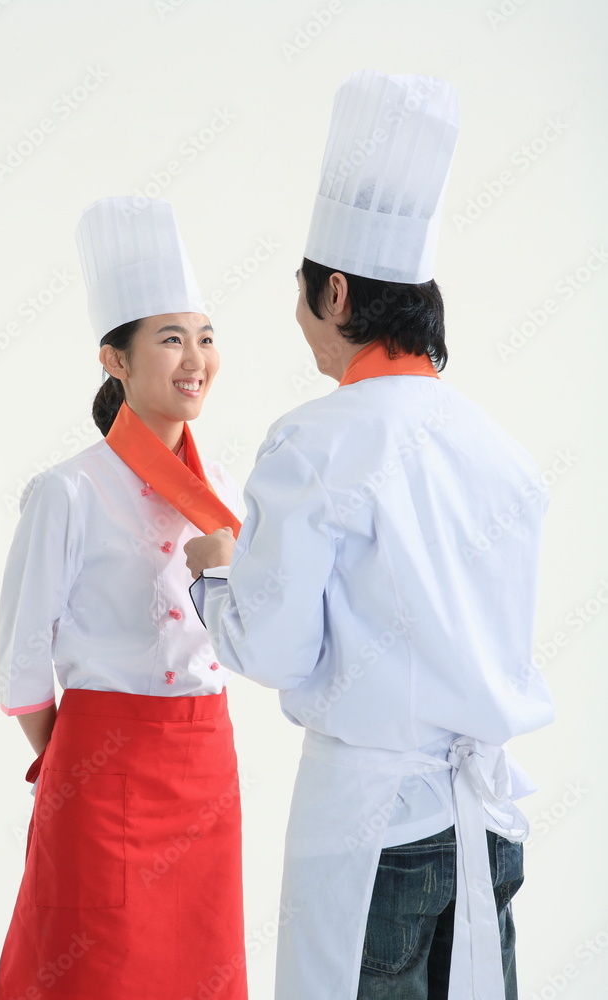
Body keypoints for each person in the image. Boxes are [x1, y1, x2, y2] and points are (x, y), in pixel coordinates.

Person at [184, 71, 554, 1000]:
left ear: (337, 294)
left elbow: (273, 648)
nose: (300, 320)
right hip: (486, 824)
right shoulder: (502, 452)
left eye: (302, 297)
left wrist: (216, 579)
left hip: (375, 834)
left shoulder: (315, 441)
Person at [0, 196, 247, 1000]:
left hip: (206, 768)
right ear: (115, 359)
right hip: (100, 775)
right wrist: (76, 761)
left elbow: (253, 638)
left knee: (199, 971)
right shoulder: (68, 491)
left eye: (204, 337)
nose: (194, 359)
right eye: (170, 339)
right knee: (93, 969)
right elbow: (22, 660)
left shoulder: (222, 494)